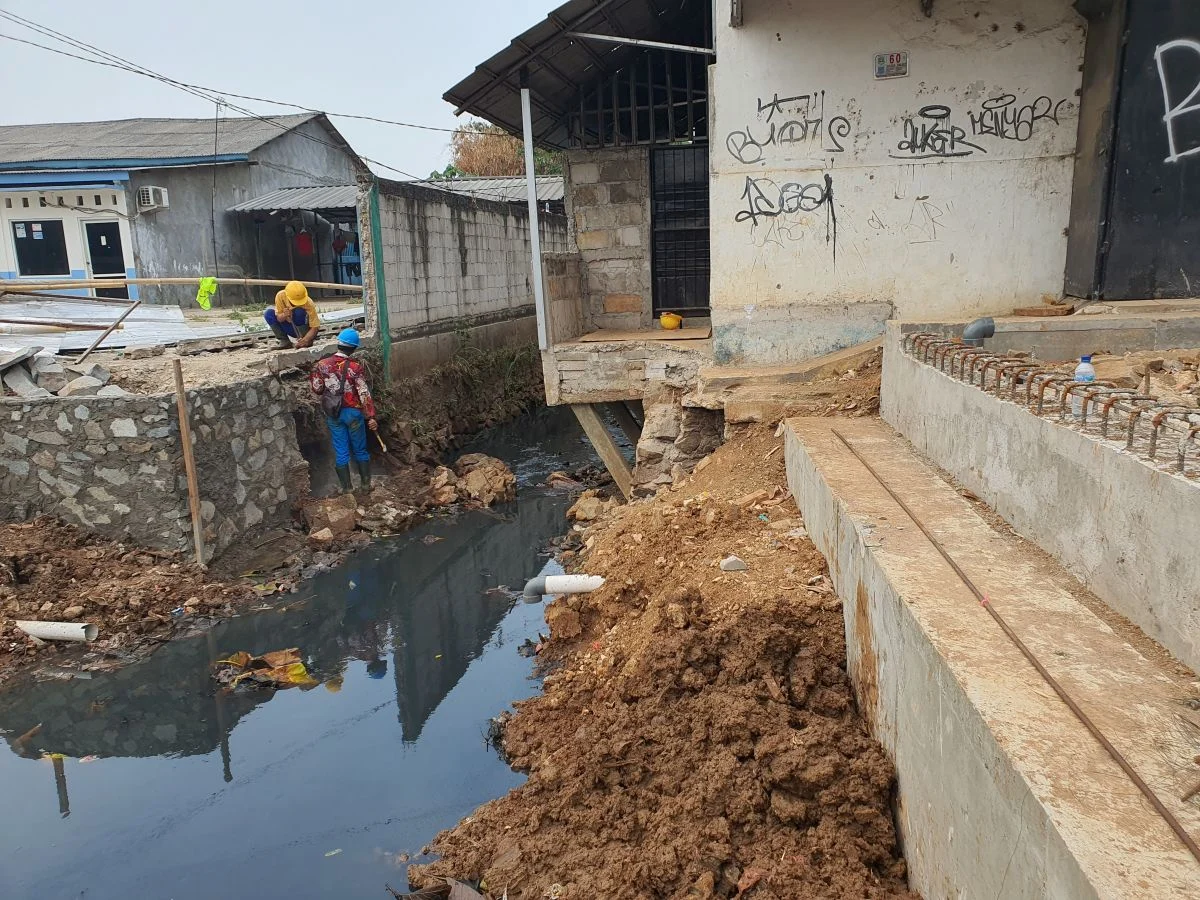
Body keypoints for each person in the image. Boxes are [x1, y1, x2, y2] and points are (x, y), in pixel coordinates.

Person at [309, 328, 377, 492]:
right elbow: (363, 393)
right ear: (354, 348)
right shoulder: (355, 367)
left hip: (334, 414)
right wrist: (371, 417)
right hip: (353, 414)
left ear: (338, 344)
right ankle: (366, 486)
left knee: (341, 452)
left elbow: (317, 389)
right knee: (360, 449)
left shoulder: (322, 365)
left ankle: (347, 489)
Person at [264, 280, 321, 349]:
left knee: (299, 311)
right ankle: (284, 341)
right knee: (268, 313)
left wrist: (306, 339)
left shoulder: (309, 303)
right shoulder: (281, 296)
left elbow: (315, 327)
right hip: (289, 327)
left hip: (304, 330)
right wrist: (284, 315)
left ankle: (304, 340)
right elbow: (279, 319)